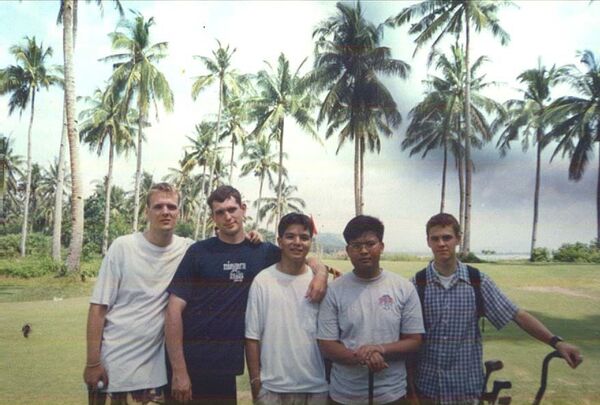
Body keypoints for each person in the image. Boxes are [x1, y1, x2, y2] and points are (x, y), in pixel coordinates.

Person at [165, 185, 329, 405]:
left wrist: (321, 272)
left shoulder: (262, 252)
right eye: (220, 212)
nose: (228, 216)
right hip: (192, 362)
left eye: (232, 209)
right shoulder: (199, 252)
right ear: (213, 217)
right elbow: (173, 309)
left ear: (243, 209)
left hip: (226, 366)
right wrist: (179, 371)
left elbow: (298, 253)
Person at [414, 213, 584, 405]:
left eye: (447, 237)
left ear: (458, 239)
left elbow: (517, 315)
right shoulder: (417, 284)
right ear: (428, 241)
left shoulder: (477, 281)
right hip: (427, 390)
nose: (441, 243)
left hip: (466, 390)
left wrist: (557, 343)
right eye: (435, 238)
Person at [83, 182, 193, 404]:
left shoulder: (188, 249)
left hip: (155, 372)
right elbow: (98, 308)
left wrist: (251, 238)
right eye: (158, 206)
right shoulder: (123, 247)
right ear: (146, 211)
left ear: (178, 213)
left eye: (171, 207)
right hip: (114, 366)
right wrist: (93, 363)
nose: (165, 212)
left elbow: (223, 249)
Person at [318, 215, 424, 405]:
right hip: (344, 394)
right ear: (348, 250)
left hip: (392, 394)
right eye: (356, 245)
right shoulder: (334, 290)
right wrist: (363, 357)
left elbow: (414, 340)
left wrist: (380, 349)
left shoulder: (403, 288)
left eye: (370, 244)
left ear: (381, 246)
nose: (364, 251)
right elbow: (327, 344)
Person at [245, 213, 329, 405]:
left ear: (310, 242)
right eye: (290, 236)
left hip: (315, 388)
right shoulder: (263, 281)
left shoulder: (320, 284)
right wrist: (255, 383)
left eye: (304, 237)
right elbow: (252, 338)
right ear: (280, 241)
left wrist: (321, 271)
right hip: (273, 389)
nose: (297, 242)